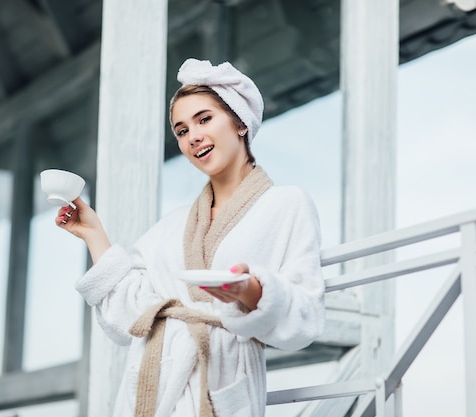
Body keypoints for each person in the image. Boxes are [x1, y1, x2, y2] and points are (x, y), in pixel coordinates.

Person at [55, 58, 325, 417]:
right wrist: (94, 234)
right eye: (181, 131)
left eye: (204, 119)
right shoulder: (173, 225)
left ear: (240, 122)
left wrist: (250, 291)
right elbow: (130, 312)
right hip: (155, 388)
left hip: (221, 387)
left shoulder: (286, 204)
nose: (193, 136)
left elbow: (305, 314)